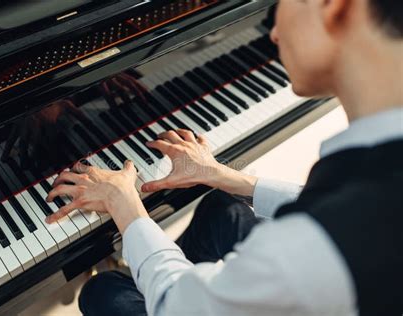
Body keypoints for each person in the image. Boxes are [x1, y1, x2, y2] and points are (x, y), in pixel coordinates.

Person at [45, 0, 403, 315]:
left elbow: (176, 305)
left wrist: (124, 205)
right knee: (222, 207)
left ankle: (133, 269)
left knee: (103, 292)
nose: (274, 31)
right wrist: (224, 176)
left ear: (335, 4)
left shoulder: (324, 245)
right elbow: (329, 206)